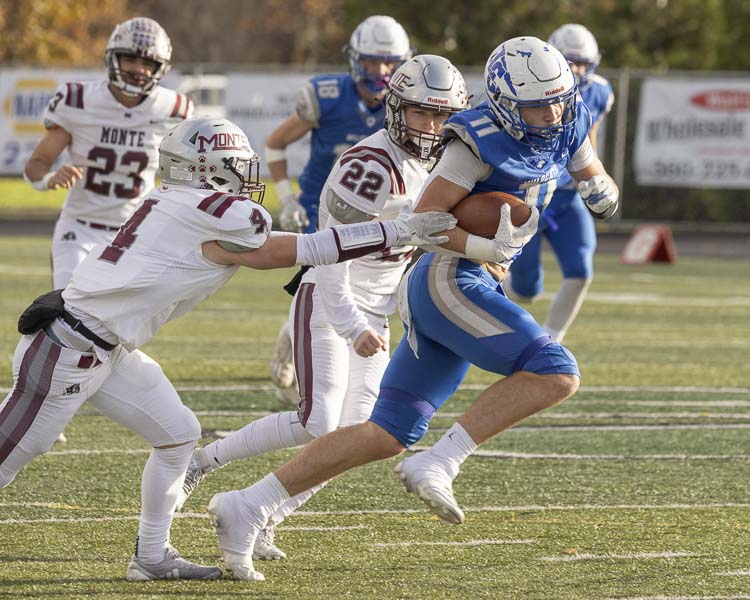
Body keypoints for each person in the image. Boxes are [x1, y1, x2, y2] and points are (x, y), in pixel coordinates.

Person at [204, 36, 620, 582]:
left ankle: (248, 504)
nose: (551, 113)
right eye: (537, 104)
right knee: (556, 371)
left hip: (466, 281)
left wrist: (601, 192)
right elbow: (422, 227)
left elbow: (593, 174)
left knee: (384, 433)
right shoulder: (471, 143)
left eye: (558, 100)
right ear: (501, 100)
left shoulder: (566, 114)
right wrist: (480, 247)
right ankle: (440, 460)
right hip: (449, 278)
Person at [0, 116, 455, 581]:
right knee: (5, 460)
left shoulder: (172, 200)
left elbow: (267, 252)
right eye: (236, 167)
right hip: (68, 351)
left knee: (178, 435)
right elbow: (306, 248)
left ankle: (151, 555)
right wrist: (398, 231)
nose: (245, 178)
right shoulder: (217, 212)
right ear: (208, 169)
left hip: (107, 348)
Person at [175, 56, 470, 561]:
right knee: (317, 421)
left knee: (357, 438)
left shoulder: (440, 165)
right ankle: (204, 460)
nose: (432, 126)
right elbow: (330, 261)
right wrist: (353, 325)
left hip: (377, 312)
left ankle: (268, 514)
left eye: (442, 116)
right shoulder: (369, 167)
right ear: (396, 107)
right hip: (330, 299)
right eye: (422, 113)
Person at [23, 16, 193, 444]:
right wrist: (49, 179)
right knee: (67, 320)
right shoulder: (78, 100)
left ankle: (58, 399)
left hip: (134, 235)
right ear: (111, 58)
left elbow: (187, 174)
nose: (137, 67)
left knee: (116, 329)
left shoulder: (175, 110)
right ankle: (31, 402)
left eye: (146, 61)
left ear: (161, 68)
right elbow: (35, 165)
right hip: (79, 228)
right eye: (129, 57)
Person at [266, 15, 412, 406]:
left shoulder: (409, 106)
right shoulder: (327, 95)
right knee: (326, 278)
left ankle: (297, 342)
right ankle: (303, 354)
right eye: (370, 62)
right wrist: (288, 196)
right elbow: (276, 142)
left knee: (354, 284)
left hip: (380, 211)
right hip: (323, 206)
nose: (380, 72)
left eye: (389, 63)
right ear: (354, 60)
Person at [507, 24, 615, 342]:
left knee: (581, 270)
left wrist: (599, 180)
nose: (576, 70)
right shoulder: (530, 88)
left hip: (567, 195)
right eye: (569, 61)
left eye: (583, 63)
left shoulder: (599, 91)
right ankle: (487, 312)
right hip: (530, 193)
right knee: (526, 288)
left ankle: (551, 340)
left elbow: (588, 142)